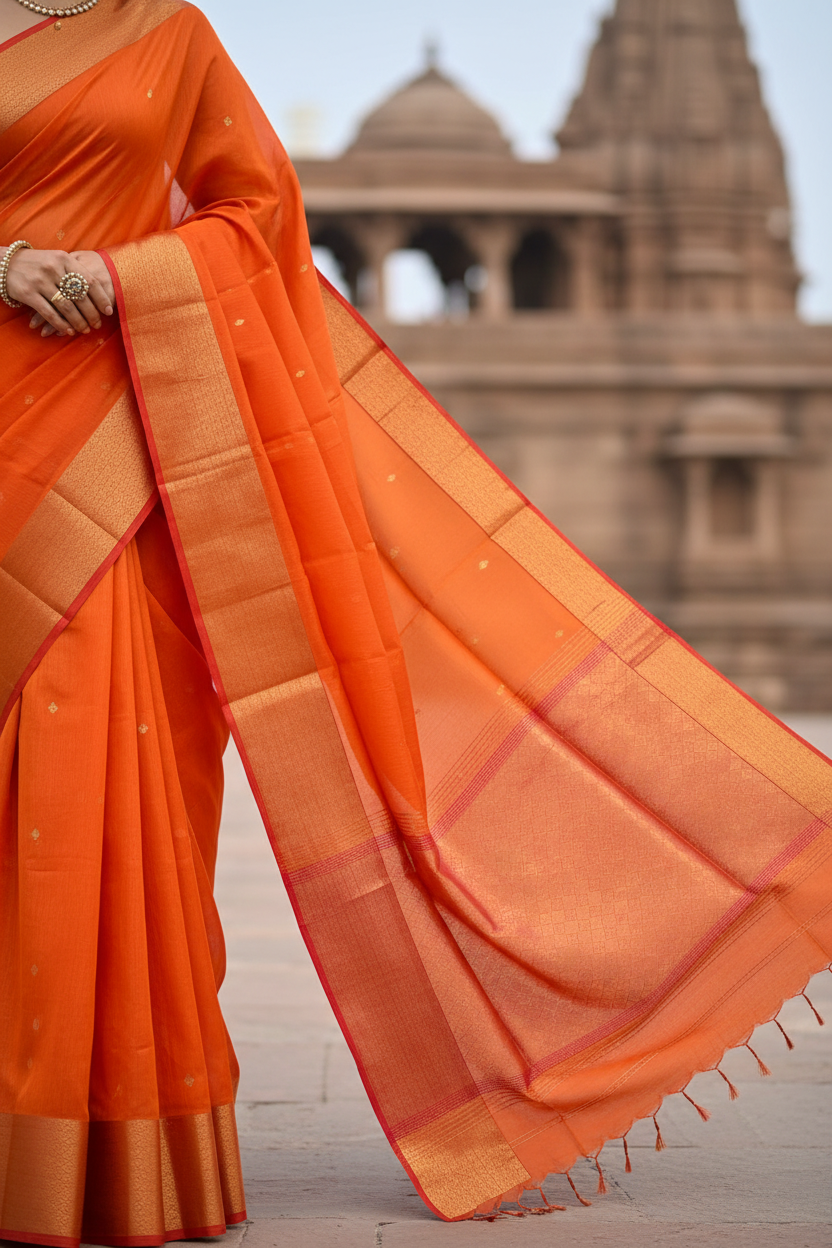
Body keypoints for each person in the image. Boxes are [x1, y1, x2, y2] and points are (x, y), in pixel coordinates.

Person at [1, 1, 830, 1243]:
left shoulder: (164, 33)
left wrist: (123, 275)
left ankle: (84, 1142)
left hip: (114, 445)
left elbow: (260, 215)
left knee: (92, 780)